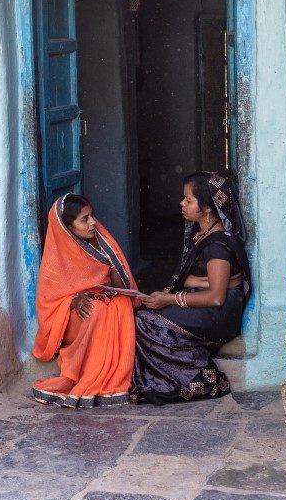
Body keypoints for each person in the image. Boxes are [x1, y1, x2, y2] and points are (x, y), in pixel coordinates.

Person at [132, 172, 252, 404]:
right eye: (183, 198)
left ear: (207, 208)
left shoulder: (217, 244)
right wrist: (191, 284)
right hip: (206, 302)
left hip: (220, 313)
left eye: (189, 200)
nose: (182, 203)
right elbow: (208, 280)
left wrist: (170, 299)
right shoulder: (203, 233)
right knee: (143, 316)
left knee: (145, 323)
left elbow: (217, 297)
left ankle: (202, 378)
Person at [32, 194, 137, 408]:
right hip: (71, 317)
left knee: (121, 304)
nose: (93, 223)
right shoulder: (55, 260)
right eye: (84, 219)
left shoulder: (101, 243)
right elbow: (48, 304)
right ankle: (82, 372)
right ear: (67, 228)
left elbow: (122, 288)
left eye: (92, 216)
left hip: (100, 303)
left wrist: (110, 260)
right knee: (94, 310)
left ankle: (105, 373)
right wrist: (73, 300)